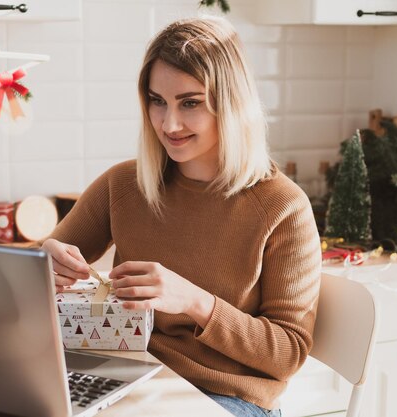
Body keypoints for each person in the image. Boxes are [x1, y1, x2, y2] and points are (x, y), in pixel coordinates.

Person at [41, 16, 321, 417]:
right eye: (158, 101)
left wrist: (194, 301)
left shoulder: (282, 207)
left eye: (190, 103)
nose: (169, 124)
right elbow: (31, 275)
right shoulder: (124, 184)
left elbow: (287, 353)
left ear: (231, 103)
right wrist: (45, 262)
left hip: (226, 398)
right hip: (133, 377)